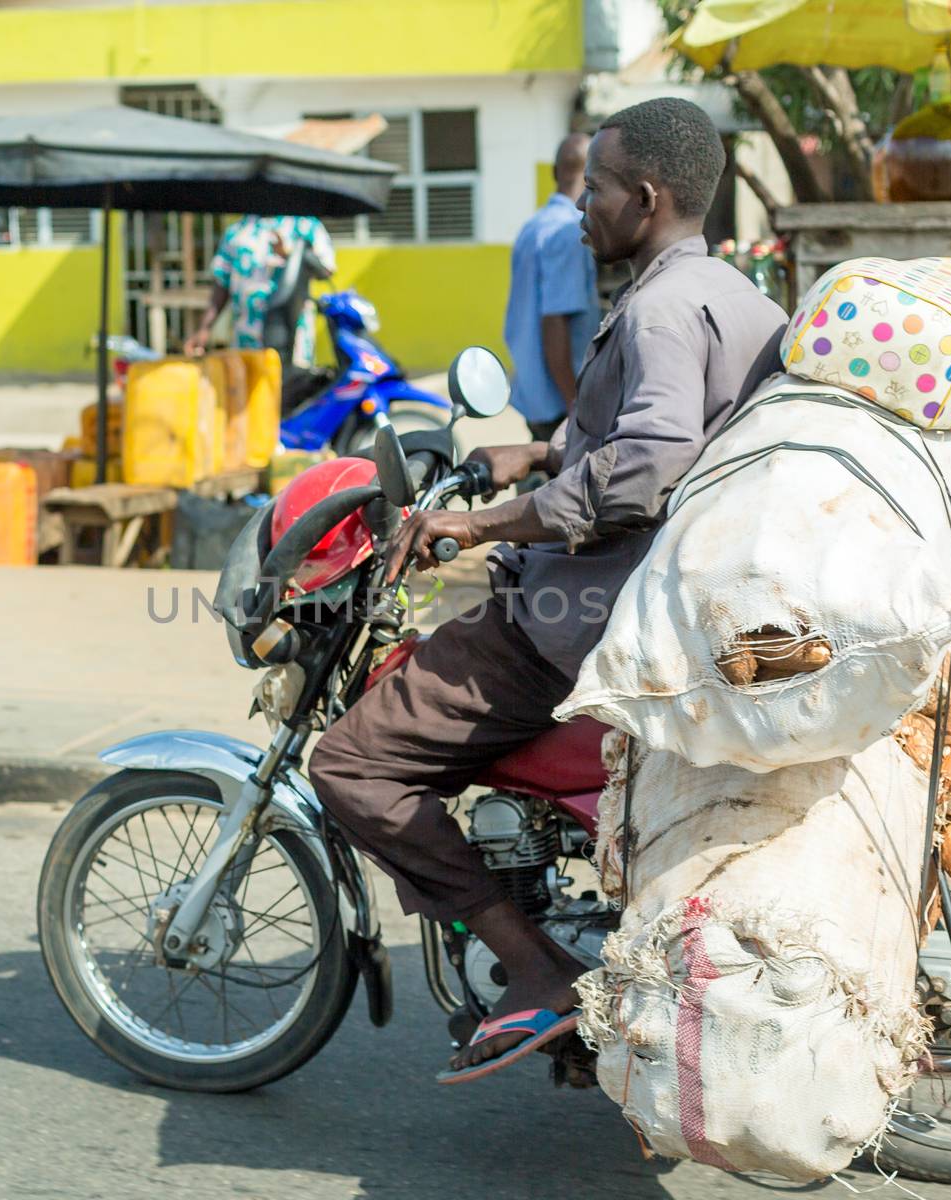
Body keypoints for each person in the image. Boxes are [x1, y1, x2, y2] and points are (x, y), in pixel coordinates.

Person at [308, 98, 788, 1082]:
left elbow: (644, 469)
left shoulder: (653, 308)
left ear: (644, 197)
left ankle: (534, 972)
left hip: (573, 620)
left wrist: (474, 523)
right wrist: (530, 451)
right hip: (666, 602)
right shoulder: (739, 298)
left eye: (594, 186)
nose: (579, 207)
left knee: (353, 762)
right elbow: (648, 435)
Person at [503, 133, 601, 442]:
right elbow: (554, 323)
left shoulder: (533, 226)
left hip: (533, 394)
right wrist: (577, 408)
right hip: (560, 401)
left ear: (553, 172)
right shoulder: (569, 232)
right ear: (594, 174)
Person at [183, 214, 336, 369]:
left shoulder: (304, 225)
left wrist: (291, 255)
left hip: (293, 338)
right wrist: (204, 328)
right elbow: (222, 284)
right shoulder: (237, 231)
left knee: (290, 388)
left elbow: (325, 270)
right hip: (246, 339)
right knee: (246, 389)